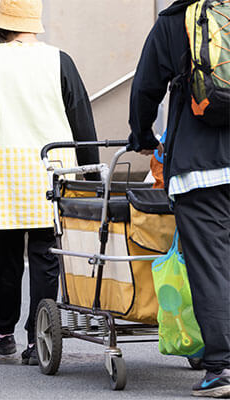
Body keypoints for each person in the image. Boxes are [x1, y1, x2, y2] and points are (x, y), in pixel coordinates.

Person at [0, 0, 100, 365]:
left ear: (0, 25)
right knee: (45, 254)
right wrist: (92, 174)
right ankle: (39, 338)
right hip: (53, 166)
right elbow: (81, 114)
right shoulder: (60, 59)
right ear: (33, 25)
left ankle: (3, 329)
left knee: (7, 255)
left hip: (7, 168)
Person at [128, 1, 229, 397]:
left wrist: (142, 136)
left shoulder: (174, 21)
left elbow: (145, 87)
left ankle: (221, 367)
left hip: (199, 167)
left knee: (211, 265)